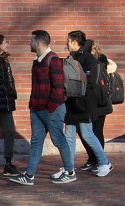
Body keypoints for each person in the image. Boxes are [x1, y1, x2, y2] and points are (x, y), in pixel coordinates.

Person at [9, 30, 76, 185]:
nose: (29, 43)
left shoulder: (52, 60)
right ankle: (29, 175)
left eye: (31, 41)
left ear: (38, 43)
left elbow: (58, 88)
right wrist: (33, 105)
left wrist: (50, 108)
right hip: (37, 110)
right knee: (36, 142)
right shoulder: (37, 60)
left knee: (58, 139)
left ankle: (70, 171)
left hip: (51, 110)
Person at [61, 30, 113, 178]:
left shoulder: (88, 58)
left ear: (74, 42)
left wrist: (72, 88)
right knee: (69, 136)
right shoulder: (73, 57)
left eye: (68, 41)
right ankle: (69, 168)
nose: (66, 43)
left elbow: (90, 82)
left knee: (87, 134)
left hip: (84, 104)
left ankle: (104, 162)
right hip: (71, 104)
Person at [77, 39, 114, 171]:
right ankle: (92, 159)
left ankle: (99, 160)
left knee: (97, 132)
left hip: (100, 102)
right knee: (84, 131)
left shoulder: (100, 62)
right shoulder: (85, 62)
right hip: (90, 102)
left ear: (94, 50)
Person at [0, 34, 18, 176]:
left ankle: (8, 164)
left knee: (9, 131)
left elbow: (9, 80)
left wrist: (12, 94)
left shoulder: (4, 60)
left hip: (6, 102)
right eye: (5, 42)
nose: (7, 44)